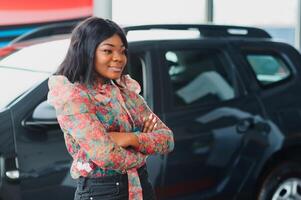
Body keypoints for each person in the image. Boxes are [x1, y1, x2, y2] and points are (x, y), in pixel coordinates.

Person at [47, 17, 174, 200]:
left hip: (141, 185)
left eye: (122, 52)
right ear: (86, 51)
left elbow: (167, 139)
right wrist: (144, 148)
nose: (119, 58)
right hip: (102, 192)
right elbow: (105, 155)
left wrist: (129, 138)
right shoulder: (73, 97)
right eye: (108, 50)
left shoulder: (125, 91)